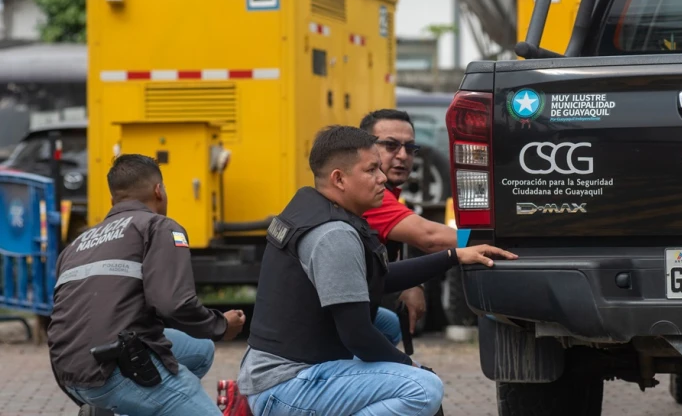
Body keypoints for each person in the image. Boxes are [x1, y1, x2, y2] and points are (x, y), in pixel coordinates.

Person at [238, 125, 517, 416]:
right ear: (339, 179)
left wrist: (454, 256)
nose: (383, 178)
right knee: (423, 388)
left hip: (276, 369)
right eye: (372, 170)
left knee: (386, 324)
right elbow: (357, 335)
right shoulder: (333, 234)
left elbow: (378, 279)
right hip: (284, 387)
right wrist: (410, 366)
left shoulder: (313, 206)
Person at [47, 154, 247, 416]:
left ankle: (109, 409)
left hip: (69, 372)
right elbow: (173, 304)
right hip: (114, 370)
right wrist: (220, 325)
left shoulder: (76, 245)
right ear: (159, 191)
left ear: (112, 200)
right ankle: (128, 398)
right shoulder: (158, 227)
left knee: (200, 349)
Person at [360, 109, 459, 336]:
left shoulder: (388, 192)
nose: (403, 155)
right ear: (364, 150)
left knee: (391, 326)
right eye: (391, 146)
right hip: (323, 321)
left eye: (410, 148)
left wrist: (410, 282)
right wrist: (484, 238)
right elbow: (430, 239)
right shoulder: (368, 194)